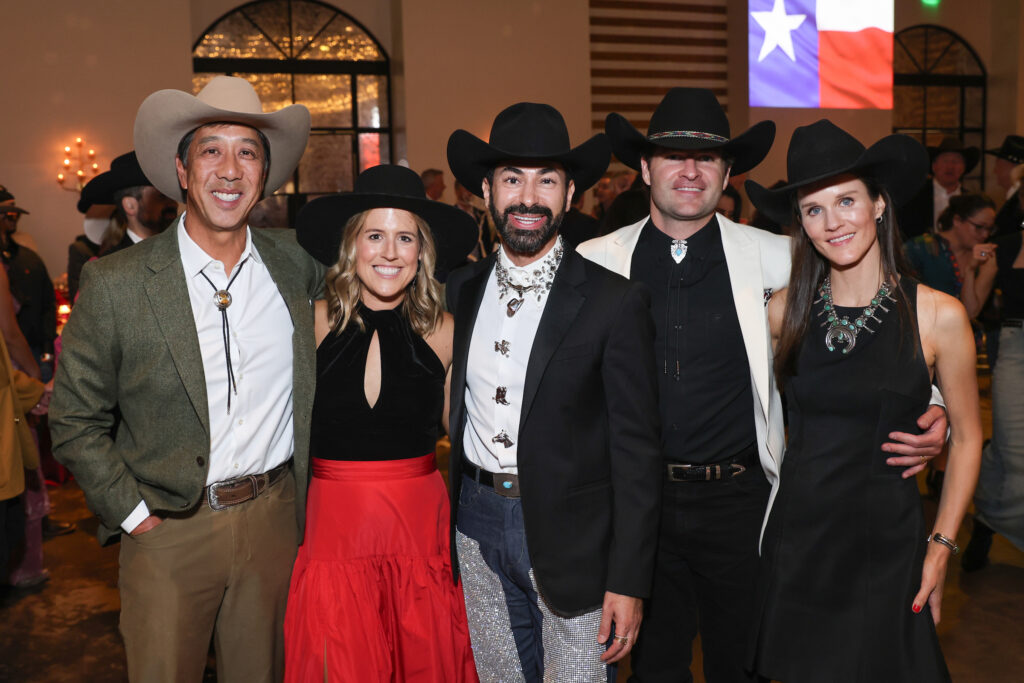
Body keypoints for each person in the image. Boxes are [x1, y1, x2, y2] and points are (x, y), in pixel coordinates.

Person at [578, 88, 949, 683]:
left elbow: (865, 334)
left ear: (729, 171)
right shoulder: (594, 261)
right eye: (673, 156)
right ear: (644, 168)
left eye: (708, 158)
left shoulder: (781, 257)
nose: (691, 171)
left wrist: (932, 406)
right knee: (651, 670)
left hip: (744, 504)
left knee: (747, 664)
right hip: (634, 506)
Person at [50, 76, 322, 681]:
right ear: (180, 169)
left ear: (265, 173)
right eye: (211, 150)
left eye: (248, 151)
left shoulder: (298, 263)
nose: (230, 169)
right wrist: (133, 516)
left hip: (276, 524)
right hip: (168, 529)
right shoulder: (117, 284)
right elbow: (74, 420)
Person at [745, 120, 982, 683]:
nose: (833, 222)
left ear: (878, 204)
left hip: (889, 547)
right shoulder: (781, 312)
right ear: (800, 223)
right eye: (813, 209)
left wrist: (941, 547)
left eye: (847, 200)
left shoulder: (938, 316)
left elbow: (970, 438)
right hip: (799, 545)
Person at [445, 102, 662, 681]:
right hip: (476, 523)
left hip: (577, 540)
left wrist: (629, 580)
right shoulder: (461, 290)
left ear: (570, 196)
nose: (528, 197)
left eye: (547, 181)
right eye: (512, 179)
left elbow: (638, 454)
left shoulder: (614, 301)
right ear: (486, 191)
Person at [284, 164, 479, 681]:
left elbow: (471, 437)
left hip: (419, 535)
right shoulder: (311, 321)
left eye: (405, 238)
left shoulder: (447, 332)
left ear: (422, 253)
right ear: (351, 247)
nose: (390, 252)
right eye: (375, 235)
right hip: (333, 533)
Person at [962, 218, 1024, 571]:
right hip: (1017, 350)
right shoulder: (1007, 246)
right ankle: (989, 518)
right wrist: (971, 268)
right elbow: (970, 309)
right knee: (1013, 452)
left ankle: (985, 521)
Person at [899, 137, 980, 239]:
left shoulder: (971, 201)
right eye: (945, 161)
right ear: (934, 166)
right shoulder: (914, 196)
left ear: (964, 167)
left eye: (956, 161)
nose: (950, 167)